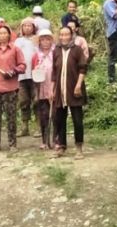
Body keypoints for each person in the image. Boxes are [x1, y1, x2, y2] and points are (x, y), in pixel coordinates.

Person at [0, 24, 26, 152]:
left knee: (11, 117)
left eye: (4, 33)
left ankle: (12, 144)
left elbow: (23, 65)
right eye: (0, 33)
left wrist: (13, 71)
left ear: (9, 35)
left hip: (10, 89)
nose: (2, 35)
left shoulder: (15, 50)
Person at [52, 26, 89, 159]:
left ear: (71, 35)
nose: (64, 37)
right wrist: (53, 89)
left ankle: (79, 148)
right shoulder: (56, 50)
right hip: (60, 90)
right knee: (59, 119)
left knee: (77, 120)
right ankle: (61, 146)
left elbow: (83, 68)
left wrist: (79, 85)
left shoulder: (77, 50)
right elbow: (54, 72)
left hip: (74, 90)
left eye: (66, 34)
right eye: (61, 35)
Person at [15, 18, 38, 137]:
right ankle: (25, 127)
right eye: (25, 26)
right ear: (22, 28)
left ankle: (39, 126)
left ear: (33, 27)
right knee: (23, 101)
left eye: (30, 26)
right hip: (22, 76)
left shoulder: (37, 39)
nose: (27, 28)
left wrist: (36, 44)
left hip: (35, 75)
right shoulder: (18, 41)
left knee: (37, 101)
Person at [32, 29, 55, 149]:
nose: (45, 42)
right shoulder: (37, 55)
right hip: (41, 89)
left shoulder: (56, 53)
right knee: (43, 115)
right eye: (42, 40)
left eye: (48, 39)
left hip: (54, 88)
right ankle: (44, 141)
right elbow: (33, 72)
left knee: (56, 115)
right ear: (39, 41)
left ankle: (56, 140)